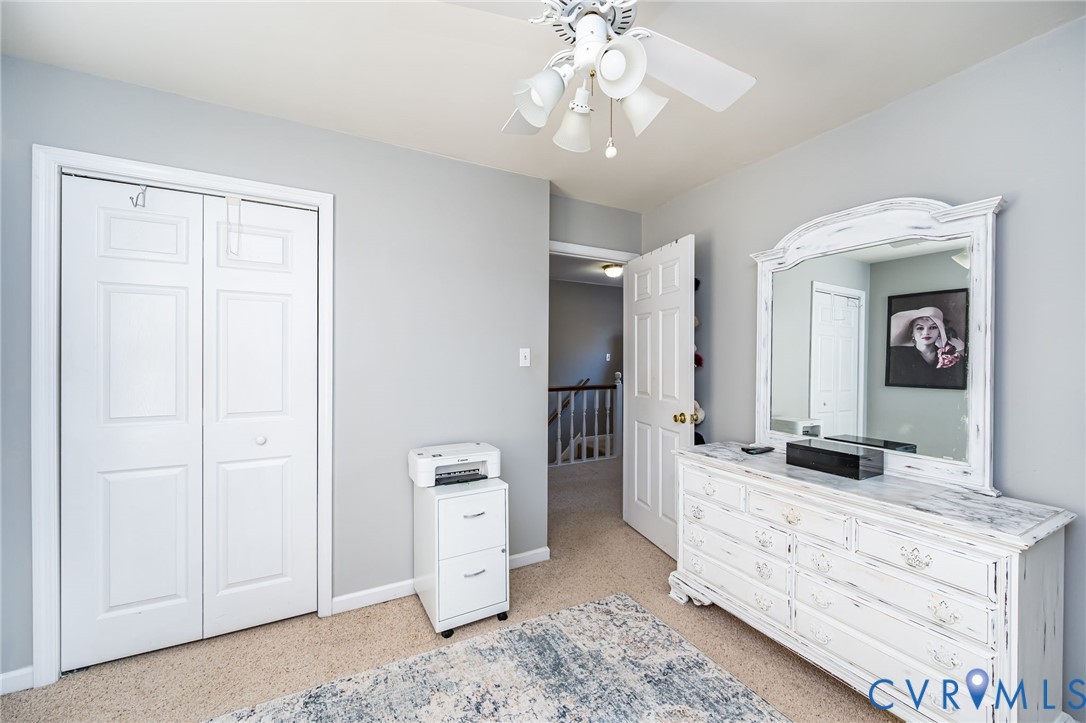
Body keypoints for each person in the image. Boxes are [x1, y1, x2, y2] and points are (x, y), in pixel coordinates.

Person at [886, 306, 966, 389]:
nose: (926, 332)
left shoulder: (954, 358)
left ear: (940, 332)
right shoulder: (896, 357)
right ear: (912, 332)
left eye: (933, 327)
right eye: (920, 328)